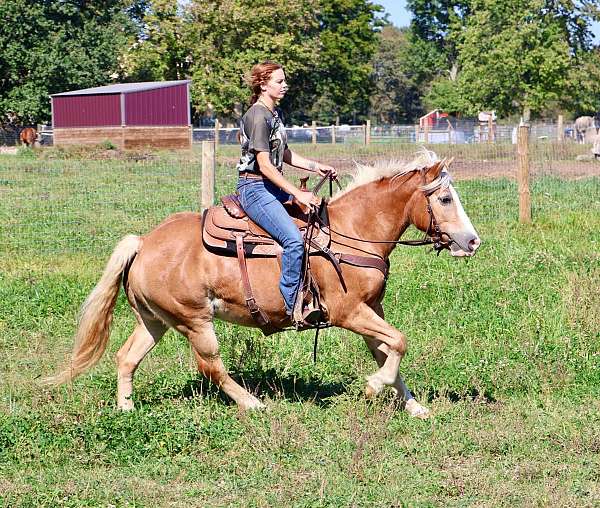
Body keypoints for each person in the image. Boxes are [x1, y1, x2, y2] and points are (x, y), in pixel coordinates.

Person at [236, 61, 337, 325]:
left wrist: (317, 167)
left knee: (315, 225)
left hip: (270, 188)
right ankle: (291, 306)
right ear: (263, 84)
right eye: (279, 82)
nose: (285, 86)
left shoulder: (273, 114)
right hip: (255, 188)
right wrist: (297, 193)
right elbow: (265, 165)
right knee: (293, 240)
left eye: (284, 81)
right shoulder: (258, 116)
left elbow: (286, 154)